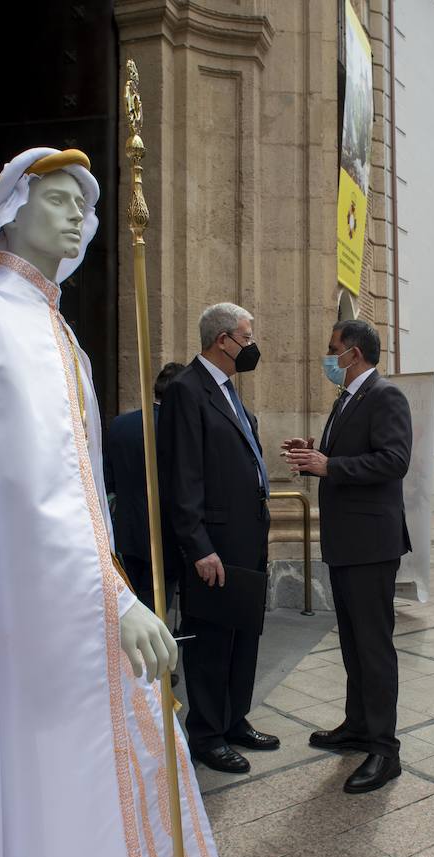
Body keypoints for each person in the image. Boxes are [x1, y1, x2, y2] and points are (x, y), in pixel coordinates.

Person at [0, 148, 229, 857]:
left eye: (85, 202)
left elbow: (75, 489)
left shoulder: (54, 329)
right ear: (12, 209)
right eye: (58, 199)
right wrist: (115, 599)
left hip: (68, 590)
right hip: (26, 602)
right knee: (37, 764)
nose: (79, 214)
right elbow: (32, 491)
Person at [285, 320, 412, 794]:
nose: (328, 356)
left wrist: (330, 465)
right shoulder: (347, 398)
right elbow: (350, 457)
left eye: (332, 348)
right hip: (346, 541)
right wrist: (314, 453)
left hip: (371, 545)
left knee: (374, 647)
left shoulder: (385, 396)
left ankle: (384, 749)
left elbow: (394, 460)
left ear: (353, 354)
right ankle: (358, 725)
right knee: (354, 644)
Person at [159, 302, 278, 775]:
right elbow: (181, 477)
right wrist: (199, 545)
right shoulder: (189, 390)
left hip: (247, 536)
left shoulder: (231, 394)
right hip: (215, 542)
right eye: (246, 337)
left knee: (243, 633)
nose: (251, 345)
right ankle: (206, 733)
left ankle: (234, 719)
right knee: (211, 639)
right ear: (222, 340)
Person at [105, 361, 185, 618]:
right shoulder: (181, 431)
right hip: (167, 535)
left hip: (127, 532)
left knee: (134, 600)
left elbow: (109, 481)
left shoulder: (120, 425)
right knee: (158, 605)